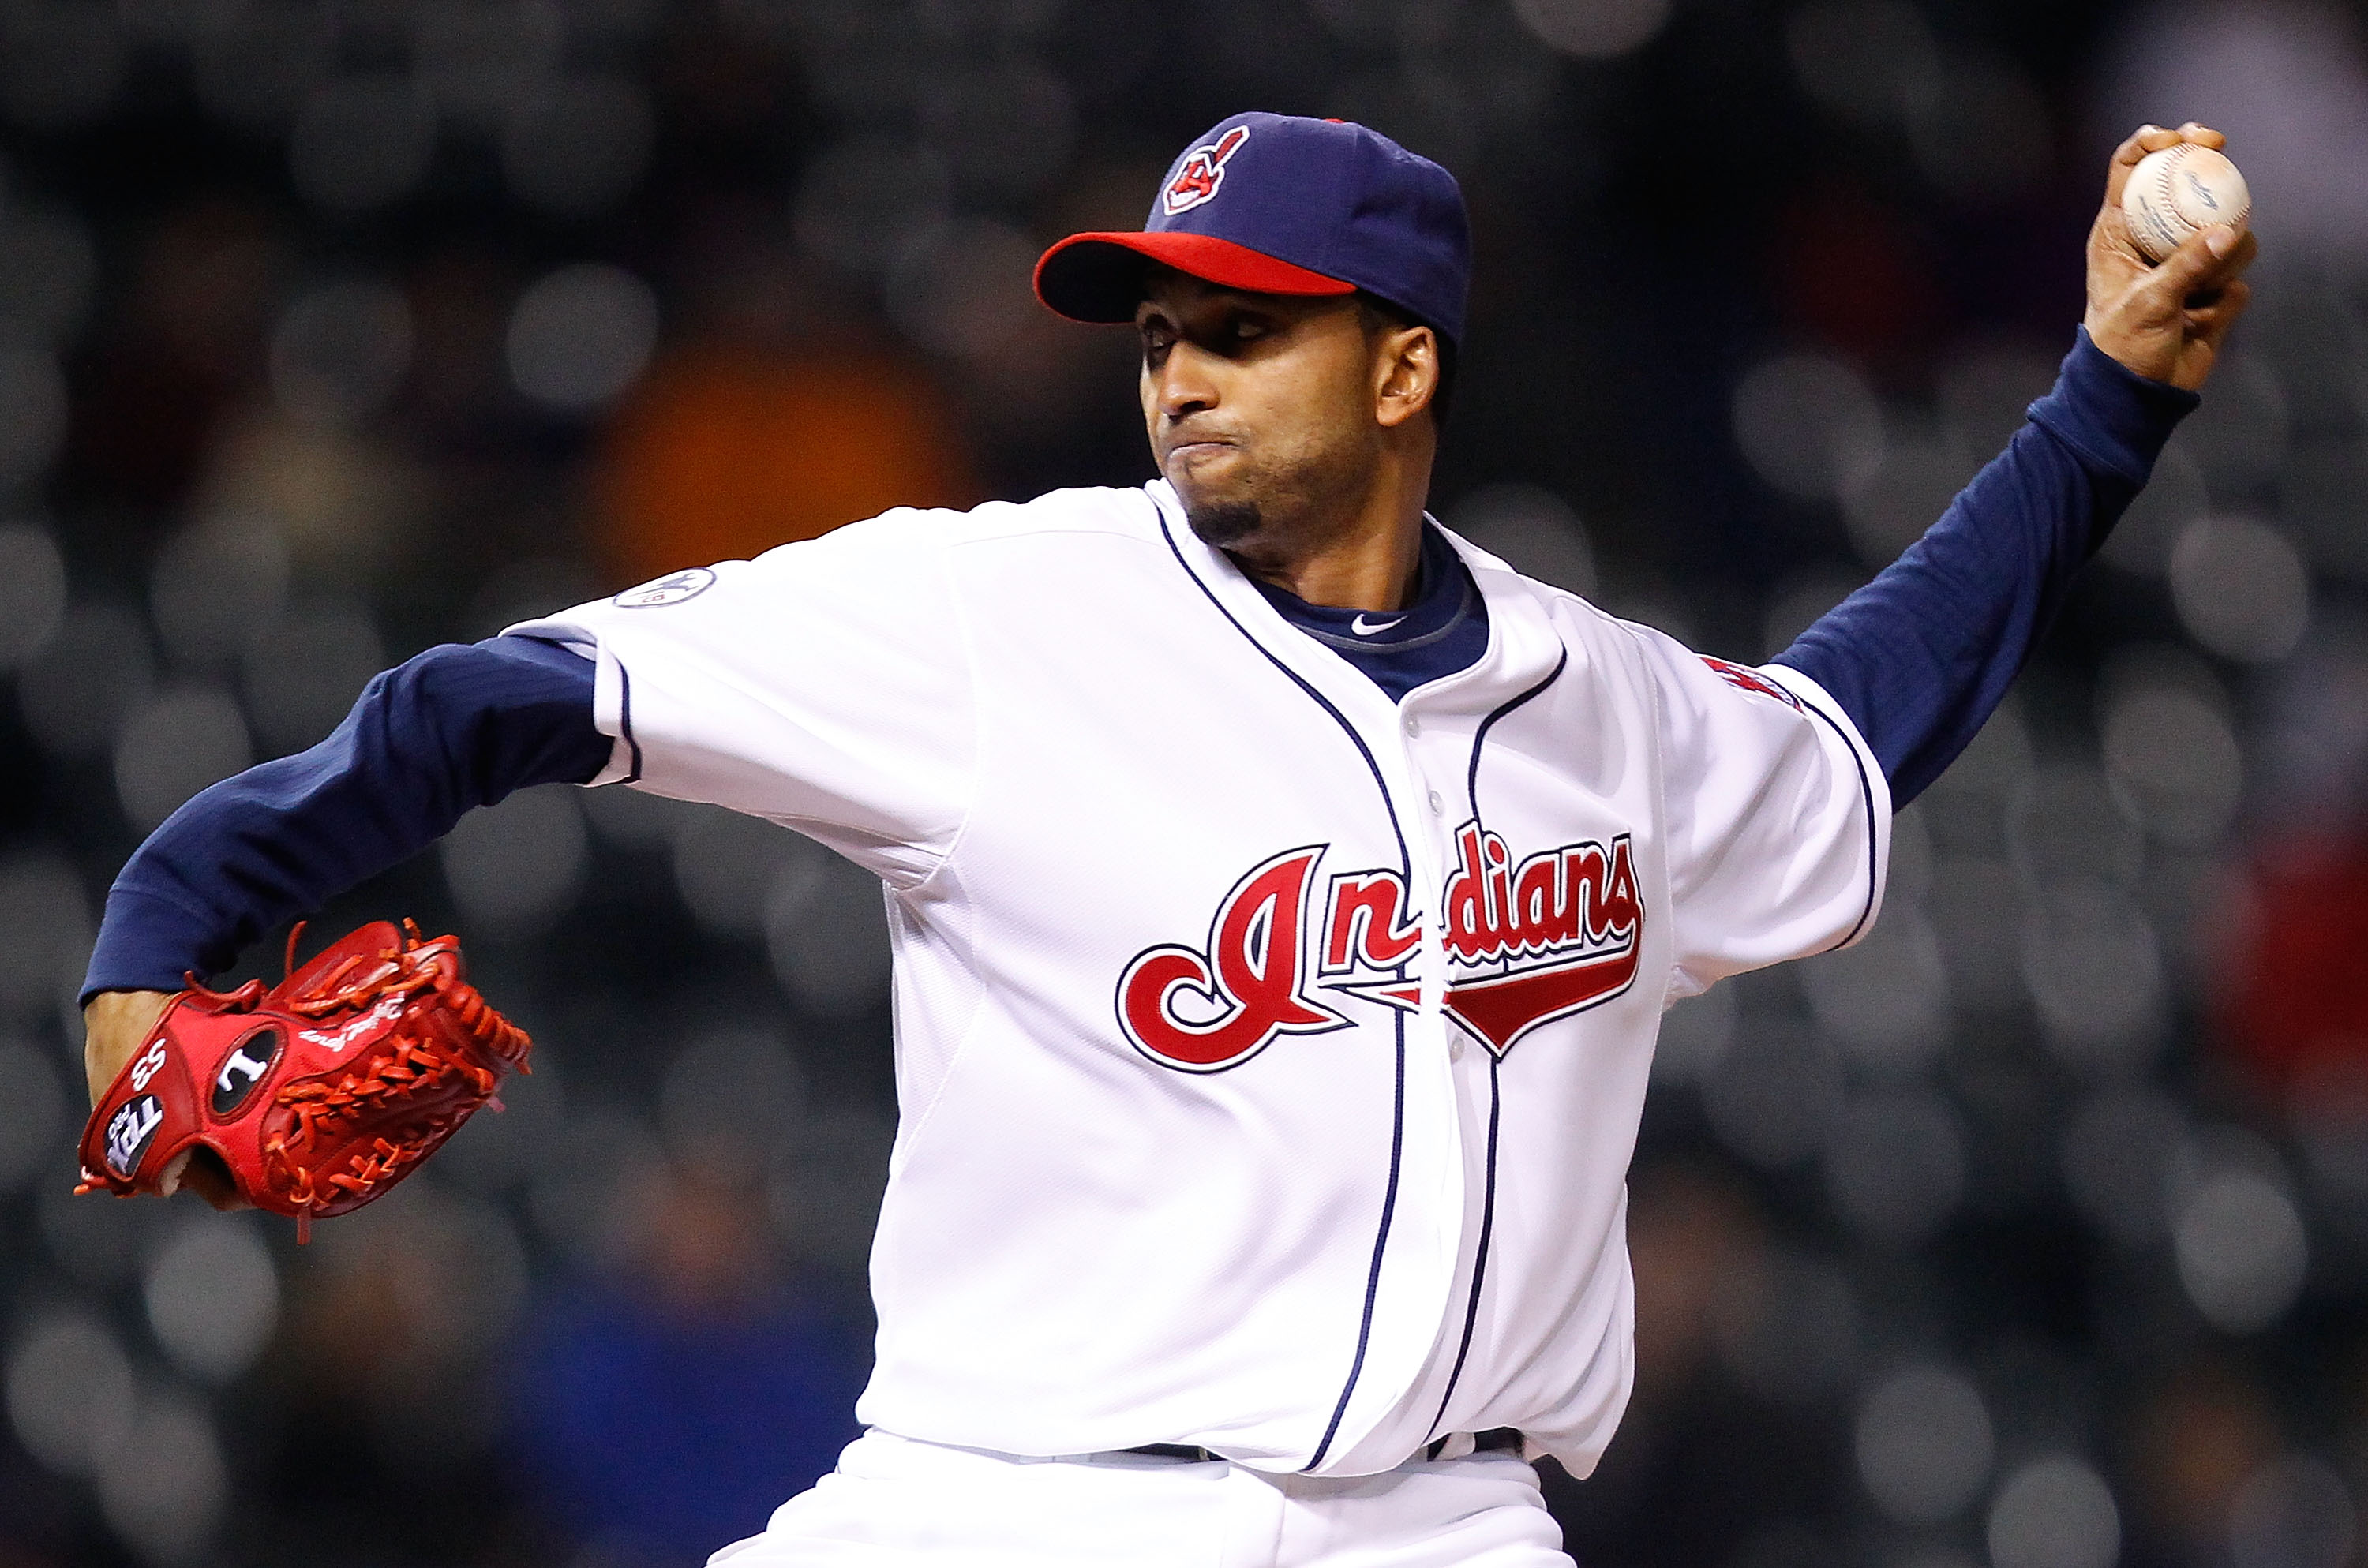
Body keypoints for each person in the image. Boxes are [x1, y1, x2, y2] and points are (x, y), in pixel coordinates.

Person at [82, 113, 2254, 1566]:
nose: (1179, 375)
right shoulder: (994, 610)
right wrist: (159, 942)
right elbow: (498, 701)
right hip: (1016, 1505)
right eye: (1158, 333)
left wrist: (2108, 401)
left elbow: (1854, 729)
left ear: (1404, 368)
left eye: (1245, 327)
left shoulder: (1600, 703)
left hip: (1447, 1524)